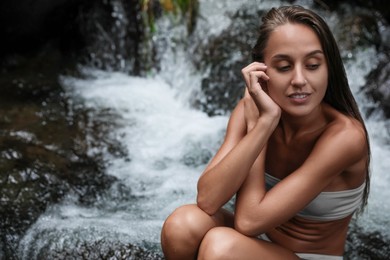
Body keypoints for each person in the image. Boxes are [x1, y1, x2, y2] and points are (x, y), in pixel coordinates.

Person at [160, 5, 371, 260]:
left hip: (307, 256)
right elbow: (207, 199)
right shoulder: (253, 109)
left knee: (220, 248)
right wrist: (263, 124)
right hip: (253, 243)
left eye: (313, 65)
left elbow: (248, 222)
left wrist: (259, 124)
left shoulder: (345, 137)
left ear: (329, 68)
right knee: (181, 225)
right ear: (261, 70)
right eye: (283, 67)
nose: (300, 79)